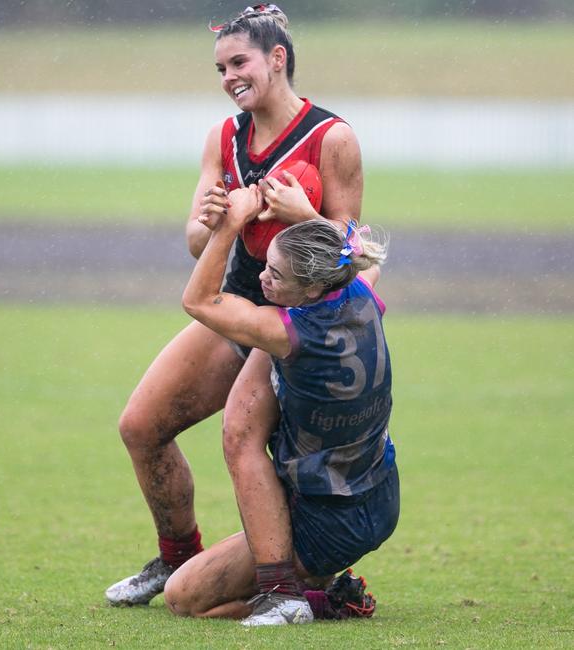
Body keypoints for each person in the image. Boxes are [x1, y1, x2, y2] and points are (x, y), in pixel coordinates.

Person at [105, 3, 363, 606]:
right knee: (141, 427)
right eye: (220, 68)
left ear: (278, 58)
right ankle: (177, 560)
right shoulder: (226, 136)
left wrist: (305, 218)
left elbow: (355, 251)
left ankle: (292, 589)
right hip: (238, 307)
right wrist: (215, 221)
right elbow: (197, 239)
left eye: (239, 62)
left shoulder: (333, 137)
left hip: (301, 323)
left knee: (242, 436)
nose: (229, 78)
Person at [164, 190, 399, 626]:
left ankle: (310, 599)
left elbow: (198, 301)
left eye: (274, 273)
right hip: (379, 499)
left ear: (311, 288)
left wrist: (230, 225)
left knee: (184, 597)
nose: (263, 280)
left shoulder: (294, 333)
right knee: (245, 433)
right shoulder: (360, 289)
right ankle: (310, 583)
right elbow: (364, 259)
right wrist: (308, 217)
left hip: (328, 522)